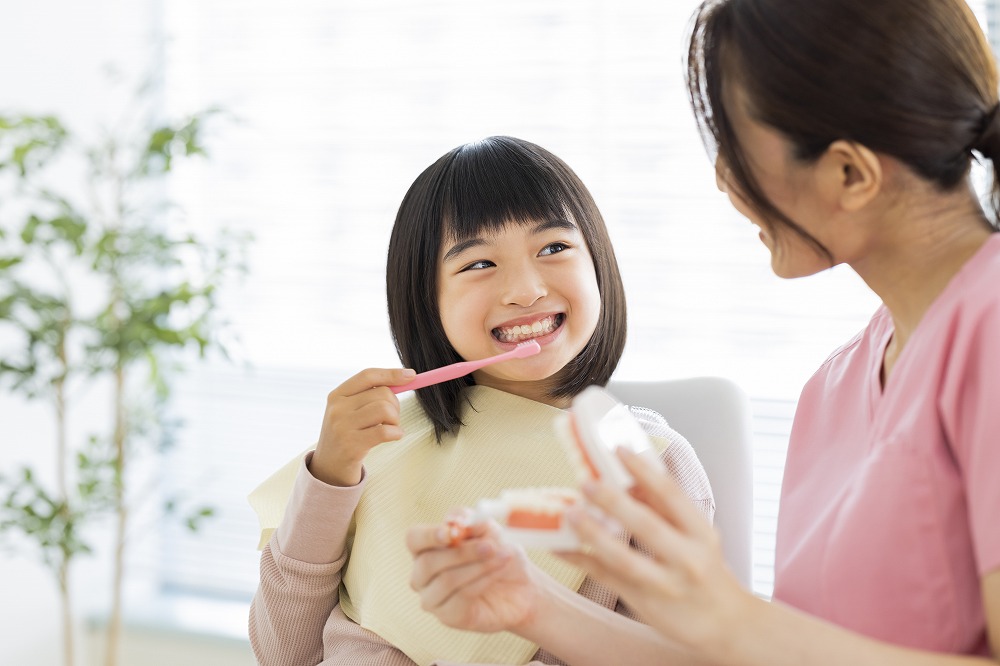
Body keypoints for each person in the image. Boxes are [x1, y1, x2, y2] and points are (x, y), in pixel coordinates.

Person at [409, 0, 1000, 662]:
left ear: (848, 173)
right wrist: (534, 606)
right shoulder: (832, 390)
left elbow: (752, 637)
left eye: (736, 145)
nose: (723, 178)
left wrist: (731, 617)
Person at [247, 135, 715, 666]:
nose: (525, 290)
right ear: (426, 299)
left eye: (554, 248)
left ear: (599, 264)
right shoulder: (380, 440)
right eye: (478, 265)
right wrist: (329, 477)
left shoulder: (651, 466)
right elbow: (284, 654)